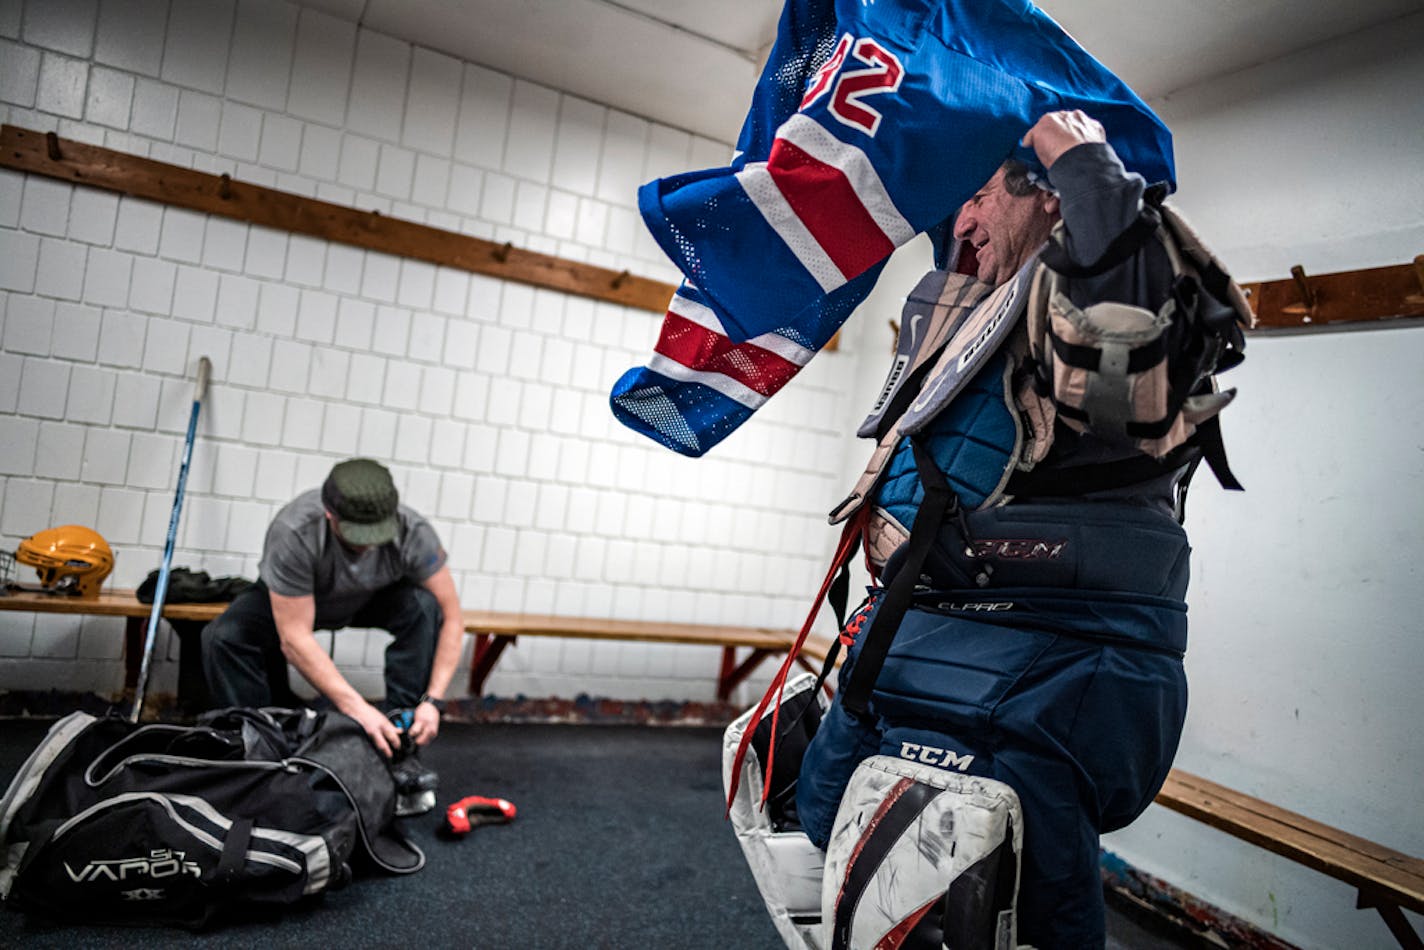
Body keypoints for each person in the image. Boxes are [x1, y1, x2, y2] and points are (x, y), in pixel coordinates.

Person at [761, 110, 1246, 949]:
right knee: (832, 824)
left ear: (1048, 201)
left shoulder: (1091, 284)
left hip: (1039, 667)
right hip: (925, 637)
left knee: (1007, 902)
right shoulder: (978, 313)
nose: (965, 221)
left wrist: (1085, 165)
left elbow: (1125, 372)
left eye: (981, 196)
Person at [202, 458, 465, 762]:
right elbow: (294, 638)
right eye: (357, 536)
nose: (367, 546)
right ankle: (259, 745)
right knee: (224, 636)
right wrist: (358, 709)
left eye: (375, 535)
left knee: (423, 607)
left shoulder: (413, 532)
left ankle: (399, 734)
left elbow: (453, 618)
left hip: (368, 598)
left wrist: (433, 700)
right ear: (330, 514)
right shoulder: (295, 532)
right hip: (296, 599)